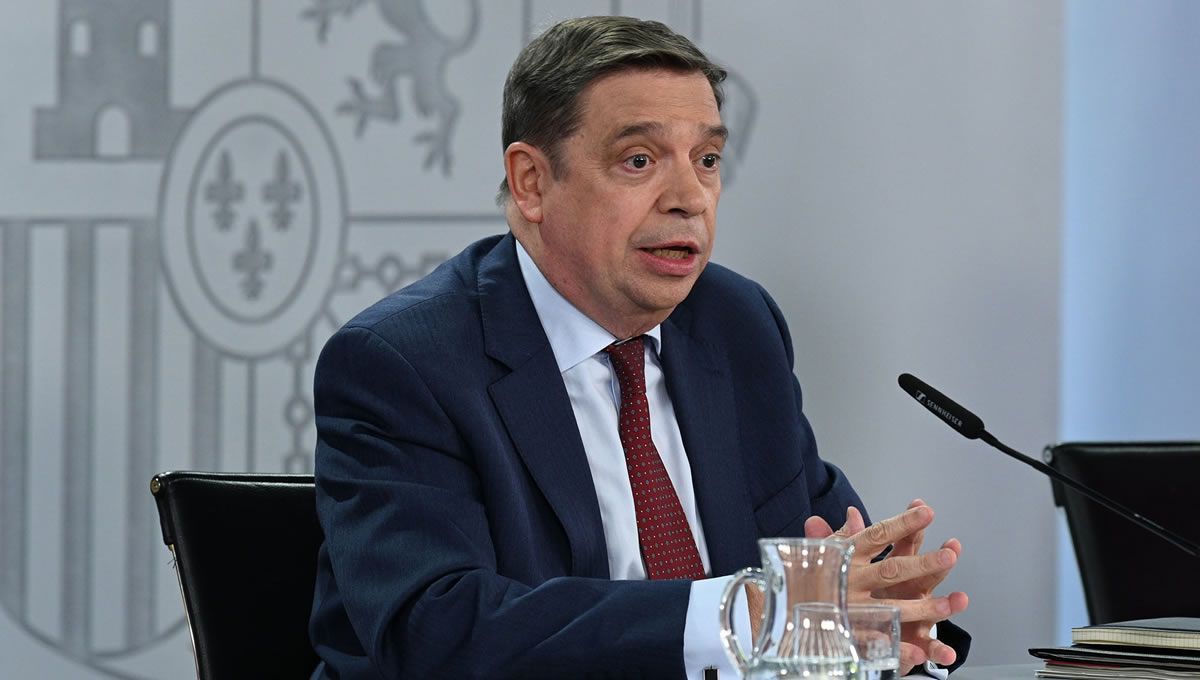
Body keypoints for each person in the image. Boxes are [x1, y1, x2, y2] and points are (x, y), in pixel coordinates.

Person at [309, 15, 969, 679]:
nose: (689, 199)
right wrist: (743, 618)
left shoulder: (735, 326)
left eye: (707, 160)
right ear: (532, 182)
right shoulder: (405, 362)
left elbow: (830, 579)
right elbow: (437, 628)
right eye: (639, 161)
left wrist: (890, 625)